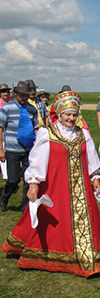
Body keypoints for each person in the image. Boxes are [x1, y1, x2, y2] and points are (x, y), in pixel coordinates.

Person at [1, 91, 100, 277]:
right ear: (60, 114)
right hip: (56, 186)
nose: (71, 118)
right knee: (52, 219)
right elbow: (37, 161)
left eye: (74, 114)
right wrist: (34, 183)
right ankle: (48, 252)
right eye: (67, 114)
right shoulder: (47, 134)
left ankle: (83, 256)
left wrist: (95, 176)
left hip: (81, 187)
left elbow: (91, 158)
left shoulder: (83, 134)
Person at [0, 81, 38, 212]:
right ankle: (4, 197)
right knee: (13, 179)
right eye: (22, 95)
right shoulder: (7, 109)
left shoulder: (32, 110)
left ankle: (25, 207)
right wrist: (1, 149)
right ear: (16, 94)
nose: (24, 98)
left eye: (26, 95)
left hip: (28, 149)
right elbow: (0, 129)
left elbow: (36, 128)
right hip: (12, 149)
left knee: (29, 180)